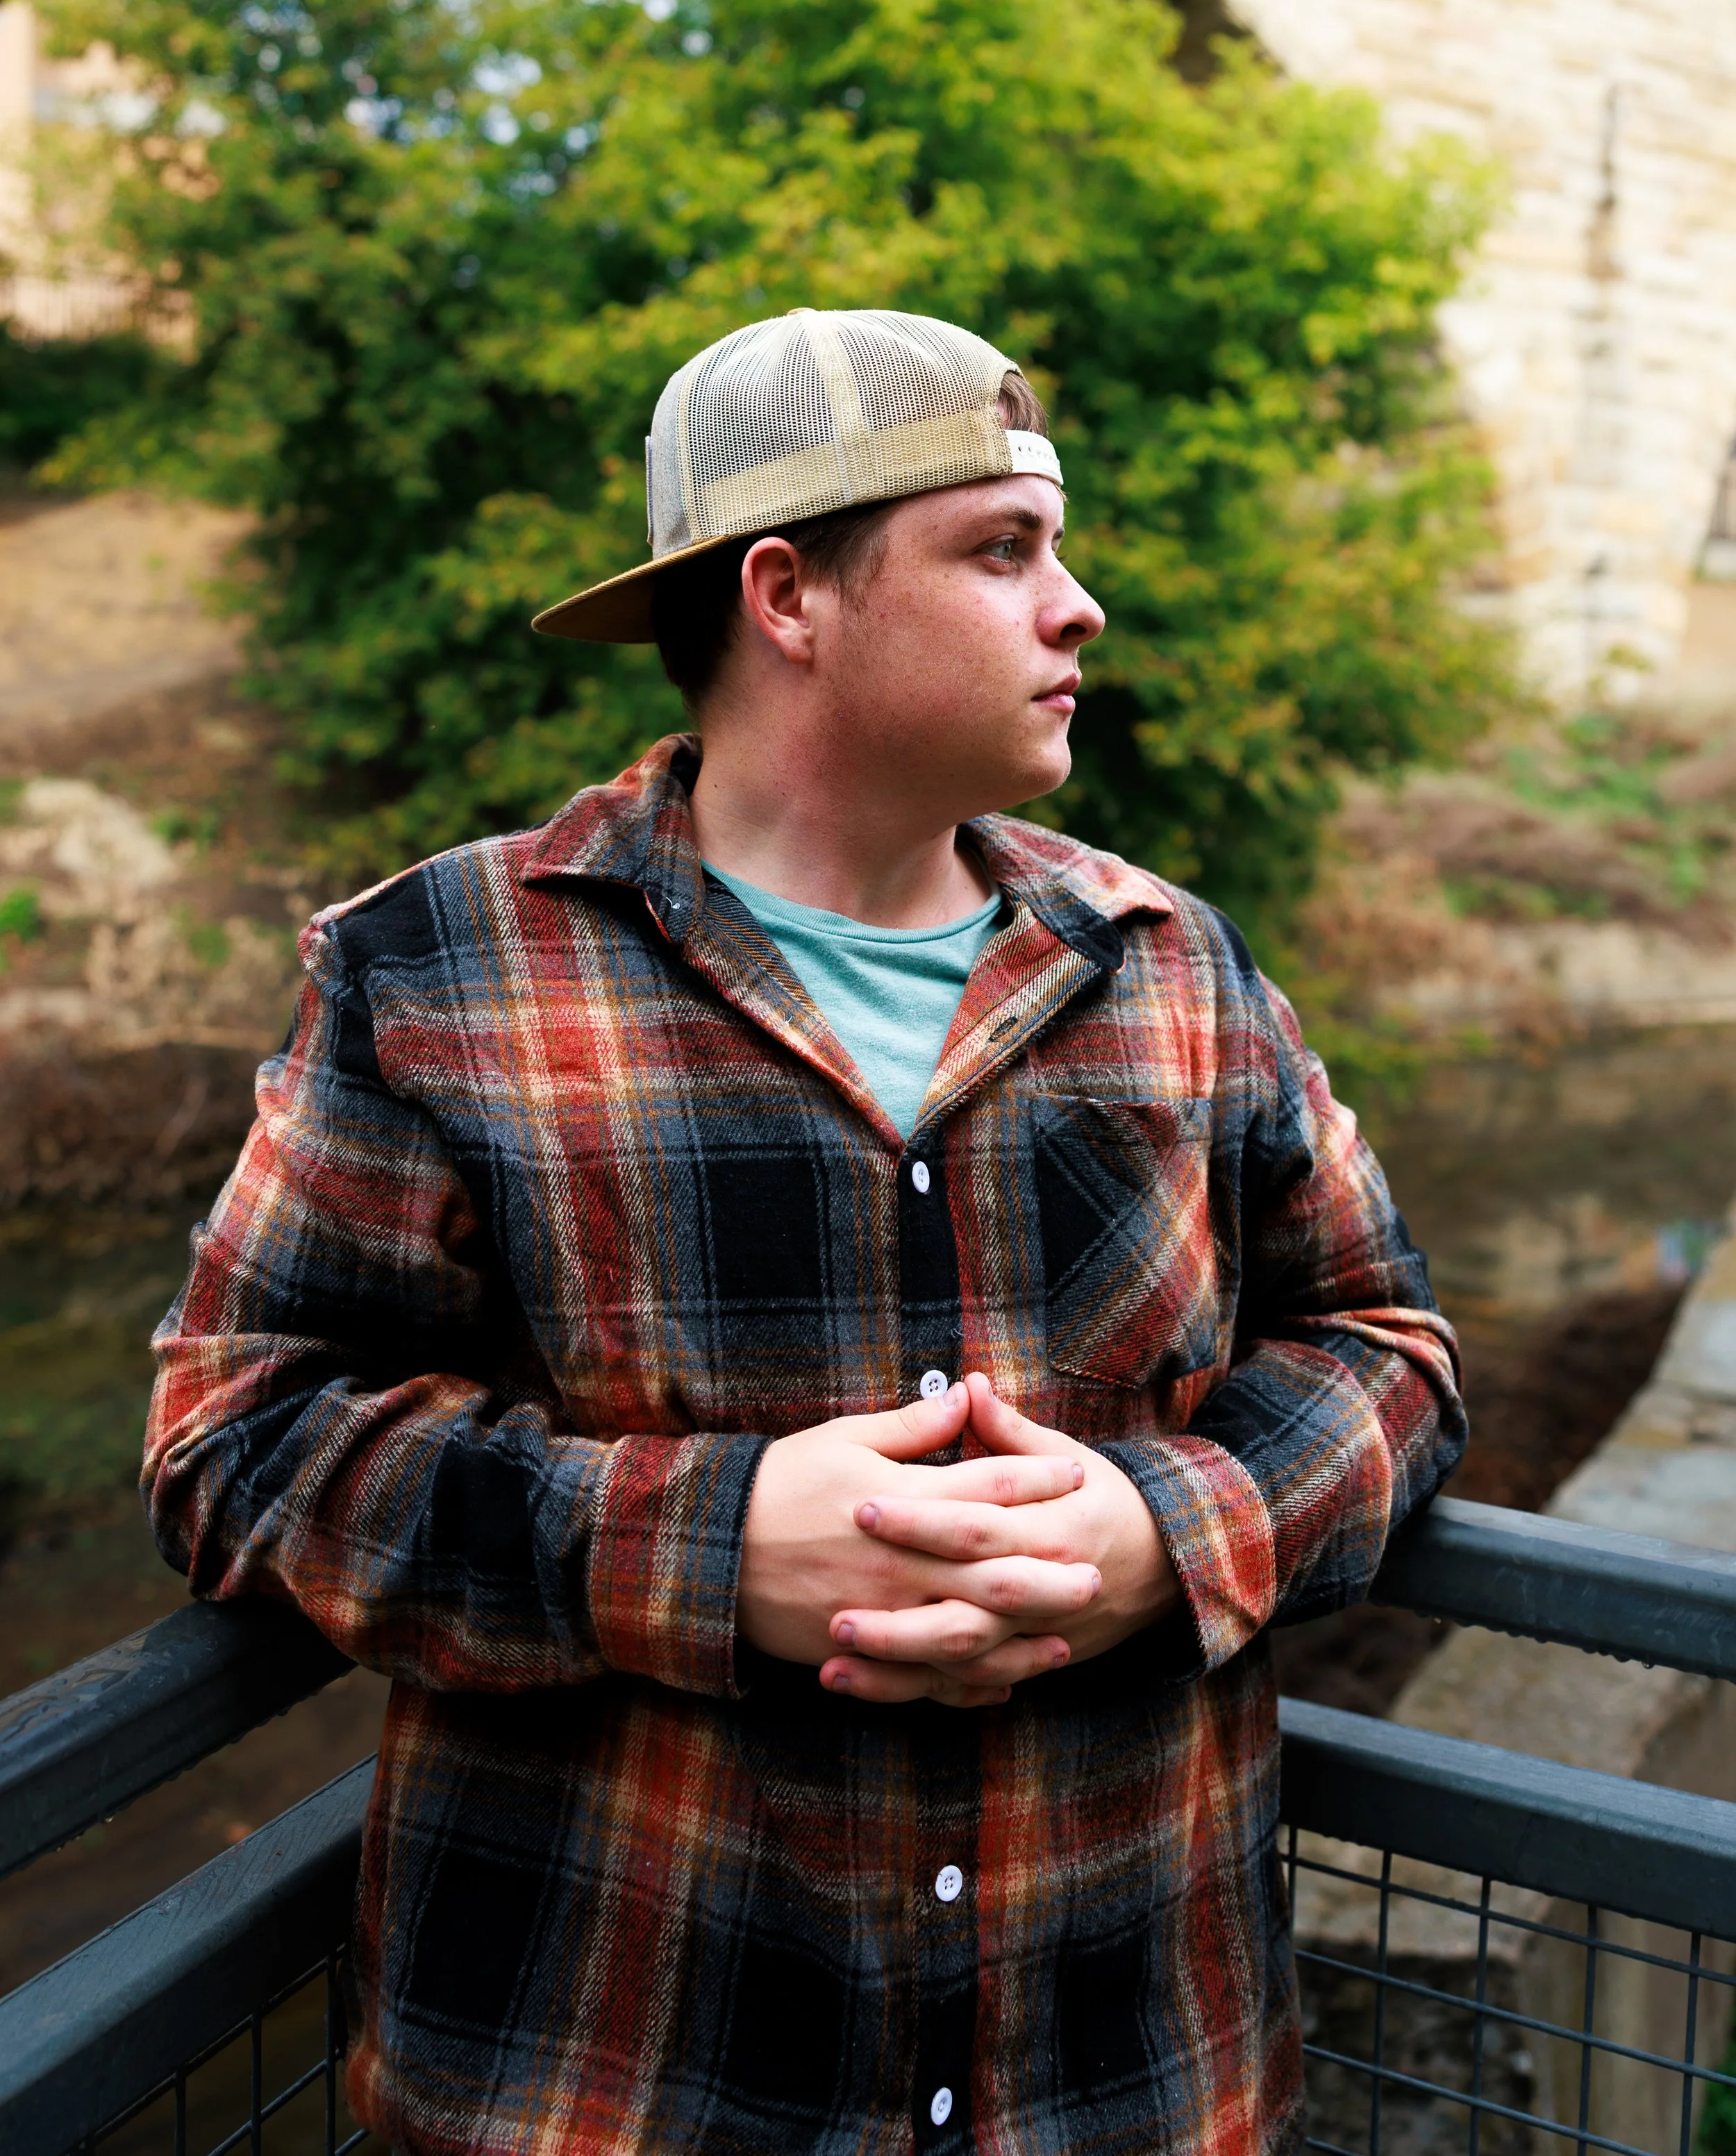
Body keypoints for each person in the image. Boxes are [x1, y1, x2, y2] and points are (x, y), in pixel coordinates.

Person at [144, 307, 1464, 2155]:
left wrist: (1168, 1527)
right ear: (789, 597)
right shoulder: (435, 969)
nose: (1075, 606)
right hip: (615, 2091)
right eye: (1003, 551)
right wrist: (705, 1542)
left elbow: (1386, 1346)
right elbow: (234, 1441)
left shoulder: (1177, 966)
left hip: (1128, 2088)